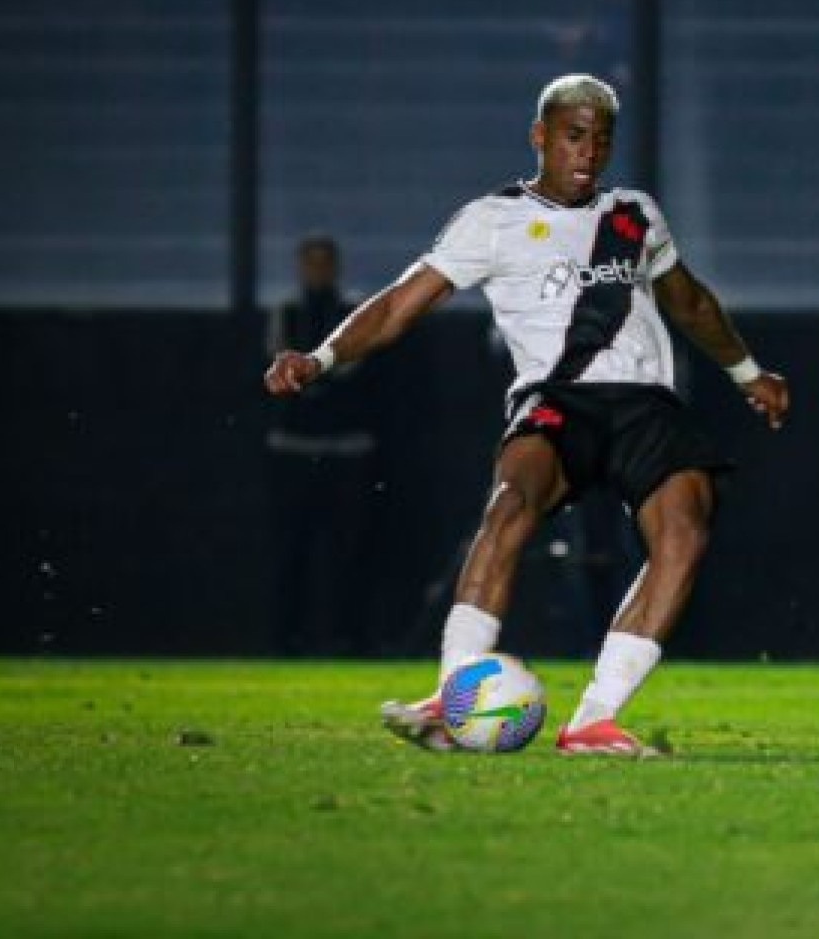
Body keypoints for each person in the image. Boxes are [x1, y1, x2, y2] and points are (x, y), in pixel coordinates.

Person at [264, 74, 789, 755]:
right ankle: (452, 695)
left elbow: (688, 302)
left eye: (601, 139)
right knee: (510, 503)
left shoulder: (634, 214)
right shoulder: (493, 219)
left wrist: (749, 372)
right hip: (556, 399)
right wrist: (322, 357)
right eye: (574, 135)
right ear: (540, 136)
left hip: (644, 403)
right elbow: (400, 303)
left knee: (686, 528)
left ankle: (595, 719)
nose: (588, 152)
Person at [266, 234, 377, 655]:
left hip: (347, 449)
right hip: (293, 448)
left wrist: (318, 373)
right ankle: (286, 639)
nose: (317, 272)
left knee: (351, 549)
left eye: (324, 263)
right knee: (291, 548)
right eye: (309, 263)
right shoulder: (286, 313)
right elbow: (275, 368)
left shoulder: (353, 313)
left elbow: (357, 368)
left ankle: (351, 637)